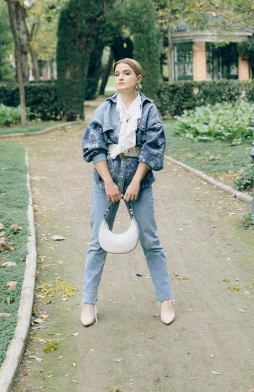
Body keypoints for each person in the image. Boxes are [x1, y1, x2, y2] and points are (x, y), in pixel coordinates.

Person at [80, 57, 175, 326]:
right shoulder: (104, 110)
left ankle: (166, 299)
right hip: (105, 182)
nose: (121, 77)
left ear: (138, 78)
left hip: (139, 183)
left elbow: (153, 147)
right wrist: (109, 182)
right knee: (97, 242)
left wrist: (135, 183)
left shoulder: (149, 110)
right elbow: (94, 147)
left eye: (127, 73)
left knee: (151, 241)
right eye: (117, 73)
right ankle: (88, 303)